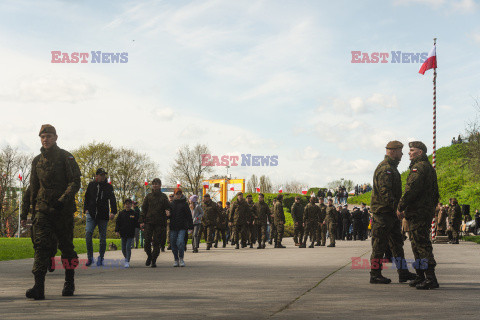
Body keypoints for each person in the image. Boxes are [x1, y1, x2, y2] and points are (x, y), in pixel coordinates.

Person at [22, 124, 81, 300]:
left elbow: (75, 182)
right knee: (41, 246)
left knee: (67, 247)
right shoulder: (36, 161)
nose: (45, 139)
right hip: (43, 211)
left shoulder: (66, 157)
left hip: (62, 211)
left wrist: (62, 201)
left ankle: (69, 282)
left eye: (48, 136)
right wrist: (26, 212)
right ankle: (38, 287)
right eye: (42, 137)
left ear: (56, 138)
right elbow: (32, 188)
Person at [370, 140, 416, 285]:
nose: (402, 154)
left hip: (390, 214)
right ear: (393, 151)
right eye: (400, 151)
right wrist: (396, 208)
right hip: (383, 213)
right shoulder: (386, 169)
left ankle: (403, 273)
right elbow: (385, 192)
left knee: (397, 244)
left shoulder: (391, 168)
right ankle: (375, 274)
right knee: (379, 245)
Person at [398, 141, 440, 290]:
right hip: (422, 212)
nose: (409, 153)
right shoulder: (428, 168)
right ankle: (421, 276)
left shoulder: (419, 167)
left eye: (412, 150)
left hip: (418, 213)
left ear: (420, 152)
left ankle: (430, 278)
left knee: (421, 245)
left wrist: (401, 206)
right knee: (416, 244)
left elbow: (411, 190)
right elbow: (436, 194)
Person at [83, 168, 117, 266]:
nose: (103, 177)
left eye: (104, 175)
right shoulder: (91, 185)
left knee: (102, 239)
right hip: (91, 214)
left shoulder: (108, 187)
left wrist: (113, 212)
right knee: (88, 234)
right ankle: (90, 258)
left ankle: (101, 257)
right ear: (96, 176)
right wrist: (85, 209)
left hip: (103, 215)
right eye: (101, 175)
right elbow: (87, 197)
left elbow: (113, 199)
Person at [21, 186, 58, 273]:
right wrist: (23, 217)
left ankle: (51, 257)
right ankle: (39, 264)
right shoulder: (33, 187)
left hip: (51, 216)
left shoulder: (53, 185)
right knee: (36, 241)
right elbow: (26, 201)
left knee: (52, 240)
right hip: (37, 217)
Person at [140, 178, 170, 268]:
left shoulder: (164, 196)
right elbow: (143, 209)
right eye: (154, 184)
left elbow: (168, 207)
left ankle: (154, 260)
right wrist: (141, 221)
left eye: (157, 184)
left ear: (160, 185)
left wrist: (168, 211)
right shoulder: (148, 196)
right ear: (152, 185)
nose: (155, 185)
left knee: (157, 243)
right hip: (149, 222)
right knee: (147, 242)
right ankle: (149, 256)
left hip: (160, 223)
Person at [168, 188, 193, 267]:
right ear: (174, 194)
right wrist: (167, 215)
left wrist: (191, 227)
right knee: (173, 243)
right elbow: (168, 216)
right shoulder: (171, 204)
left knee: (181, 242)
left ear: (181, 194)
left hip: (182, 227)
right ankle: (176, 259)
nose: (178, 195)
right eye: (177, 194)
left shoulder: (185, 204)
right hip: (173, 227)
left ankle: (181, 258)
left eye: (179, 194)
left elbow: (189, 216)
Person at [115, 199, 139, 268]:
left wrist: (141, 226)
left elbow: (137, 222)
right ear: (124, 205)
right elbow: (118, 223)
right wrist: (117, 231)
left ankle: (127, 261)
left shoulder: (134, 213)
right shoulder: (121, 213)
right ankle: (126, 257)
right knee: (123, 249)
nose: (127, 205)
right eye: (126, 204)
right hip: (123, 234)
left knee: (128, 247)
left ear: (131, 205)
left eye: (129, 204)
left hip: (130, 234)